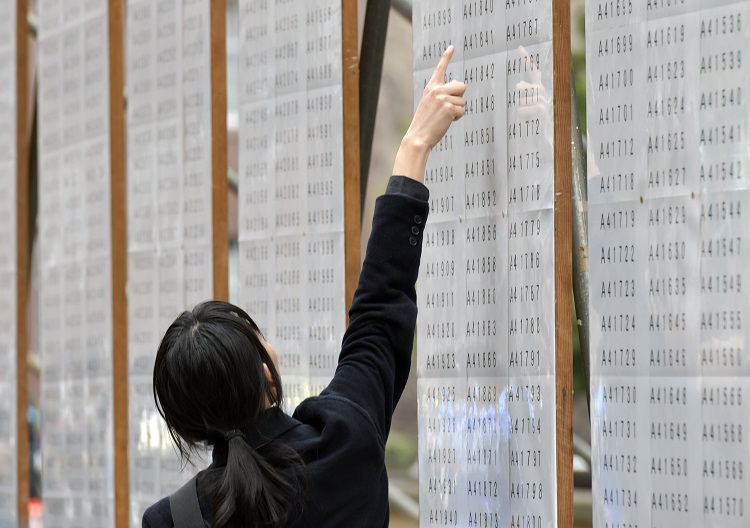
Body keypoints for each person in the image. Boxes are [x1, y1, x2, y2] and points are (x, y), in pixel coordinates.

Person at [143, 46, 466, 528]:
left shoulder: (173, 520)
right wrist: (413, 147)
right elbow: (377, 320)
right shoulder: (345, 443)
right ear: (267, 374)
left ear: (186, 426)